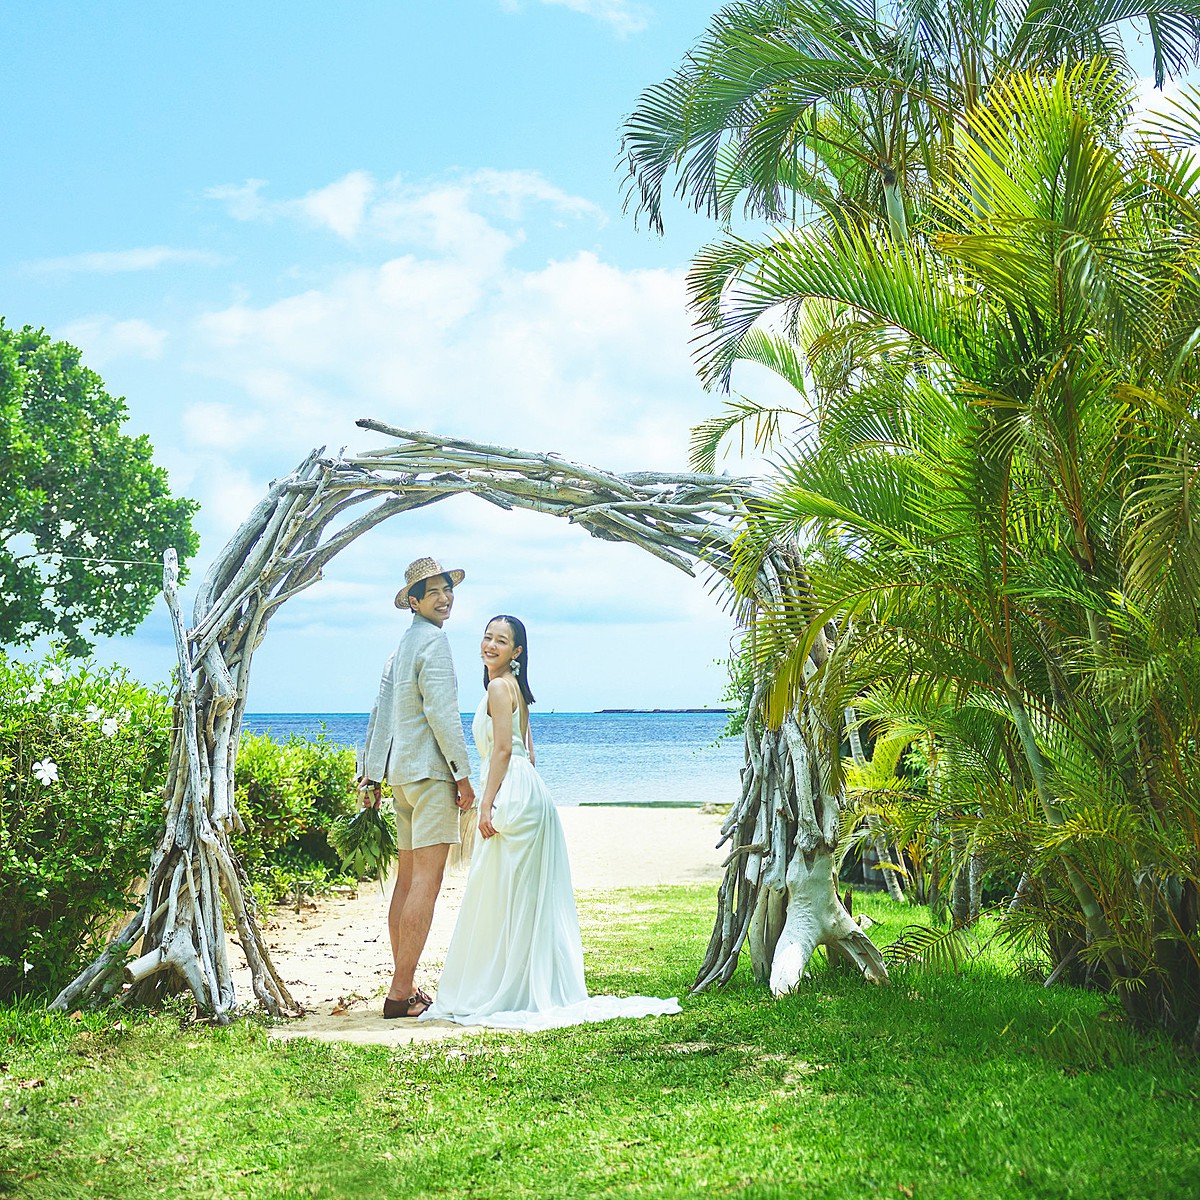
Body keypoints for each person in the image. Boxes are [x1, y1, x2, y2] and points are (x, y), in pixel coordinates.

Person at [421, 614, 680, 1030]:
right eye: (487, 638)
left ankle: (508, 987)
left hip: (510, 793)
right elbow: (528, 752)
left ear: (516, 652)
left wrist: (485, 805)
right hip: (528, 792)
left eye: (500, 641)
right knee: (518, 896)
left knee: (503, 894)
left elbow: (504, 751)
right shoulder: (515, 690)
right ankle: (522, 984)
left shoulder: (500, 687)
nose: (490, 645)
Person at [359, 556, 475, 1019]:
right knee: (426, 883)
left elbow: (380, 715)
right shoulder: (435, 645)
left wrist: (370, 774)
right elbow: (443, 717)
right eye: (434, 593)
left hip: (401, 779)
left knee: (406, 883)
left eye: (448, 590)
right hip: (430, 777)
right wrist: (463, 777)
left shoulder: (399, 648)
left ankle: (403, 985)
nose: (445, 598)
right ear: (413, 601)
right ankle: (400, 991)